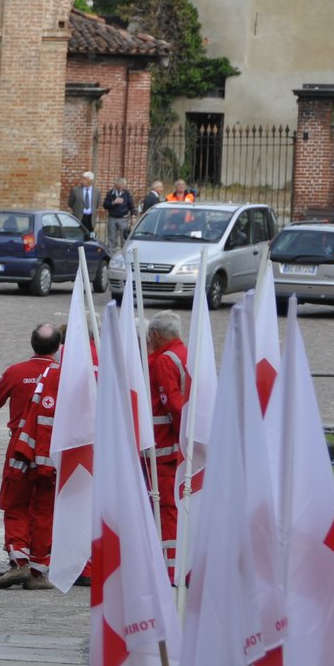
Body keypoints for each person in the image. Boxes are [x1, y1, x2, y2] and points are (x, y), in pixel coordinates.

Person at [0, 324, 61, 583]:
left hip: (20, 446)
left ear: (32, 344)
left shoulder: (16, 371)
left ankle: (19, 560)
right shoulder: (64, 375)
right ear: (58, 347)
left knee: (15, 501)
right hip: (51, 448)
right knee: (44, 507)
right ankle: (38, 571)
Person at [145, 311, 189, 582]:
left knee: (166, 507)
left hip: (164, 445)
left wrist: (180, 438)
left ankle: (170, 568)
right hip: (178, 445)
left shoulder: (163, 360)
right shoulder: (186, 354)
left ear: (157, 335)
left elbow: (172, 403)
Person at [103, 176, 135, 249]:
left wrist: (133, 215)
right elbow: (105, 205)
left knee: (124, 238)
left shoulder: (126, 193)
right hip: (112, 218)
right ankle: (111, 255)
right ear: (116, 185)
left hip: (123, 218)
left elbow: (131, 205)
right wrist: (113, 202)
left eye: (123, 186)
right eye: (120, 186)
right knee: (111, 238)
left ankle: (124, 255)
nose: (121, 188)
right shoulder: (110, 193)